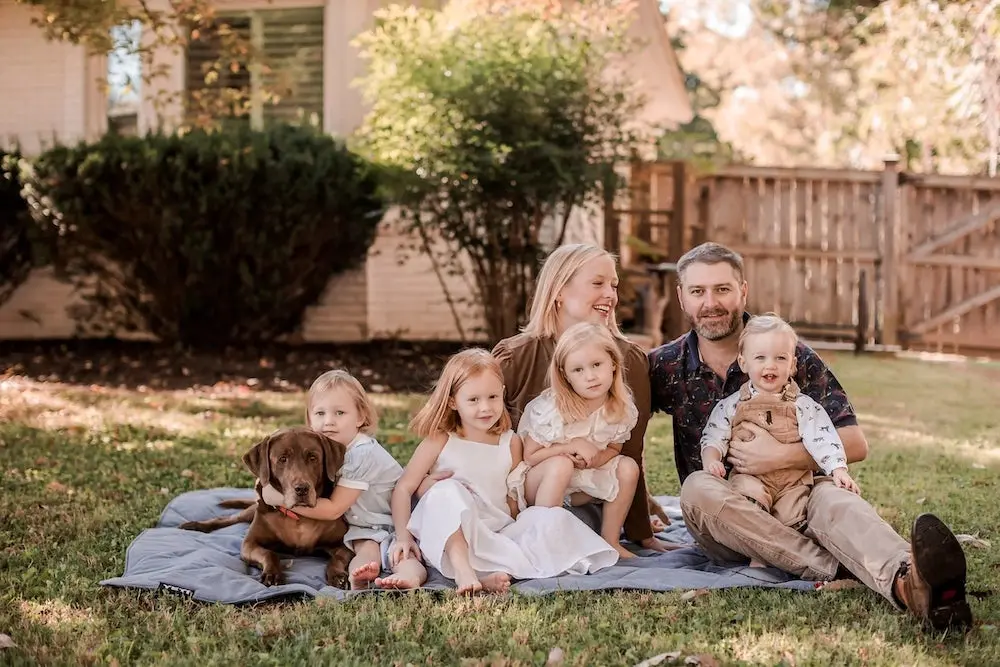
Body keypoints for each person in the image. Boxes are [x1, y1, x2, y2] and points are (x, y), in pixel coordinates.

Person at [648, 241, 973, 631]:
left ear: (743, 291)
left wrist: (781, 458)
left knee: (837, 500)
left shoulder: (787, 352)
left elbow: (854, 443)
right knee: (697, 489)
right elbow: (617, 430)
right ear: (682, 297)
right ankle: (839, 566)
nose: (711, 302)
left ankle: (911, 583)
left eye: (723, 289)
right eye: (698, 291)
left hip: (799, 498)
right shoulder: (665, 366)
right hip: (734, 522)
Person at [492, 243, 675, 554]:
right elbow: (481, 436)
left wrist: (641, 532)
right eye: (598, 283)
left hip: (588, 497)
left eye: (614, 285)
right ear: (559, 290)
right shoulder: (515, 357)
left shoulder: (628, 359)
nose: (611, 295)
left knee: (588, 522)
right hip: (519, 499)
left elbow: (629, 452)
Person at [390, 348, 619, 595]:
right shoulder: (441, 440)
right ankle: (463, 572)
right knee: (446, 490)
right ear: (453, 401)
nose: (485, 408)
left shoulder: (509, 442)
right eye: (473, 400)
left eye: (492, 397)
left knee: (549, 518)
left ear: (502, 393)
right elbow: (404, 488)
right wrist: (403, 536)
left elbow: (513, 495)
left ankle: (491, 573)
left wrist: (523, 523)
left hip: (495, 531)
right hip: (451, 533)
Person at [699, 313, 860, 567]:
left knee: (794, 513)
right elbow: (714, 435)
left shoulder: (804, 407)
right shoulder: (731, 405)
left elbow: (824, 439)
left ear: (793, 365)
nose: (770, 366)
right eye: (760, 358)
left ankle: (788, 555)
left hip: (792, 482)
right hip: (751, 477)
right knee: (745, 499)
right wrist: (712, 459)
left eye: (780, 358)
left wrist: (838, 469)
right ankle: (759, 555)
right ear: (743, 362)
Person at [259, 370, 427, 590]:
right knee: (364, 552)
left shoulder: (361, 453)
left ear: (360, 417)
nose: (329, 422)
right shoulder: (329, 450)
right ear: (309, 419)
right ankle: (360, 576)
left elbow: (333, 510)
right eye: (320, 413)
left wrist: (281, 498)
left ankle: (410, 578)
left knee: (404, 556)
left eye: (339, 413)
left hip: (398, 522)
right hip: (365, 527)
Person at [513, 322, 641, 559]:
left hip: (580, 484)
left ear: (613, 363)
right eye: (578, 370)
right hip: (540, 483)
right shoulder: (552, 408)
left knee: (628, 468)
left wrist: (596, 458)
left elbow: (615, 447)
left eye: (596, 365)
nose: (590, 376)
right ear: (565, 375)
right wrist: (570, 447)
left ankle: (611, 540)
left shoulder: (620, 408)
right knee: (561, 464)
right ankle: (544, 540)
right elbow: (530, 456)